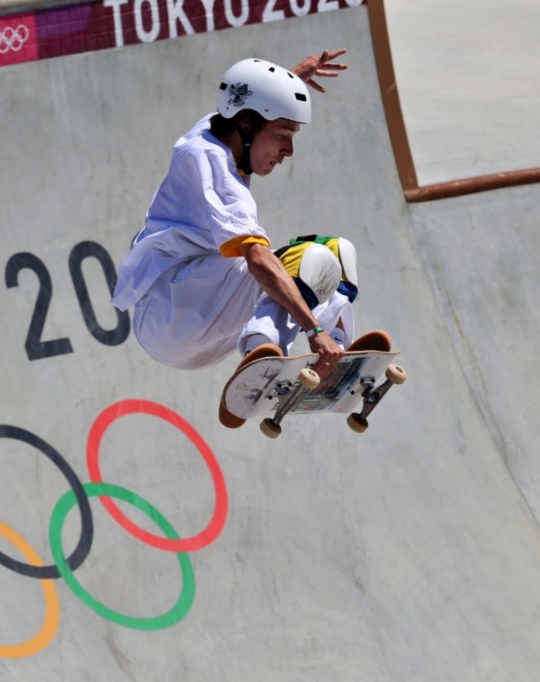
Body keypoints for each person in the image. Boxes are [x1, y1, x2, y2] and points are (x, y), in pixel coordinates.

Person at [110, 50, 376, 425]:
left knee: (337, 251)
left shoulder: (219, 127)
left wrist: (291, 80)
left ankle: (337, 361)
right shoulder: (209, 162)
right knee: (302, 261)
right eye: (283, 136)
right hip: (170, 310)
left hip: (200, 319)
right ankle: (265, 356)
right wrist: (311, 328)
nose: (288, 151)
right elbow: (256, 259)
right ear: (248, 127)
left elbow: (242, 99)